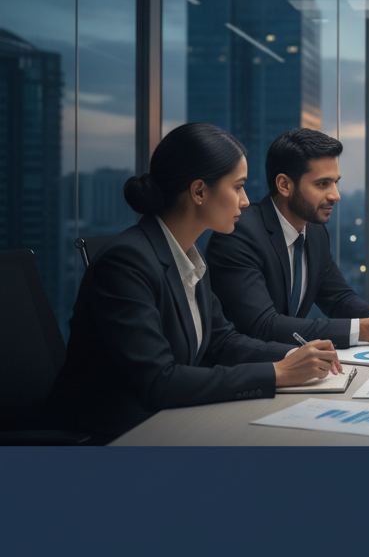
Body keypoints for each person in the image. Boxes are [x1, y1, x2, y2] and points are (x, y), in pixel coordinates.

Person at [48, 123, 341, 440]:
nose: (245, 201)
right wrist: (277, 373)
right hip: (109, 433)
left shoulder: (186, 254)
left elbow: (223, 341)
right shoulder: (126, 262)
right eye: (238, 187)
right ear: (199, 192)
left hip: (167, 421)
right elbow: (158, 382)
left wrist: (294, 356)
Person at [205, 128, 369, 348]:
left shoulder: (314, 231)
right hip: (245, 366)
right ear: (284, 185)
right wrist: (368, 329)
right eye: (322, 184)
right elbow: (263, 326)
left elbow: (338, 298)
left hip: (295, 363)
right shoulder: (238, 235)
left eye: (336, 182)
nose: (335, 195)